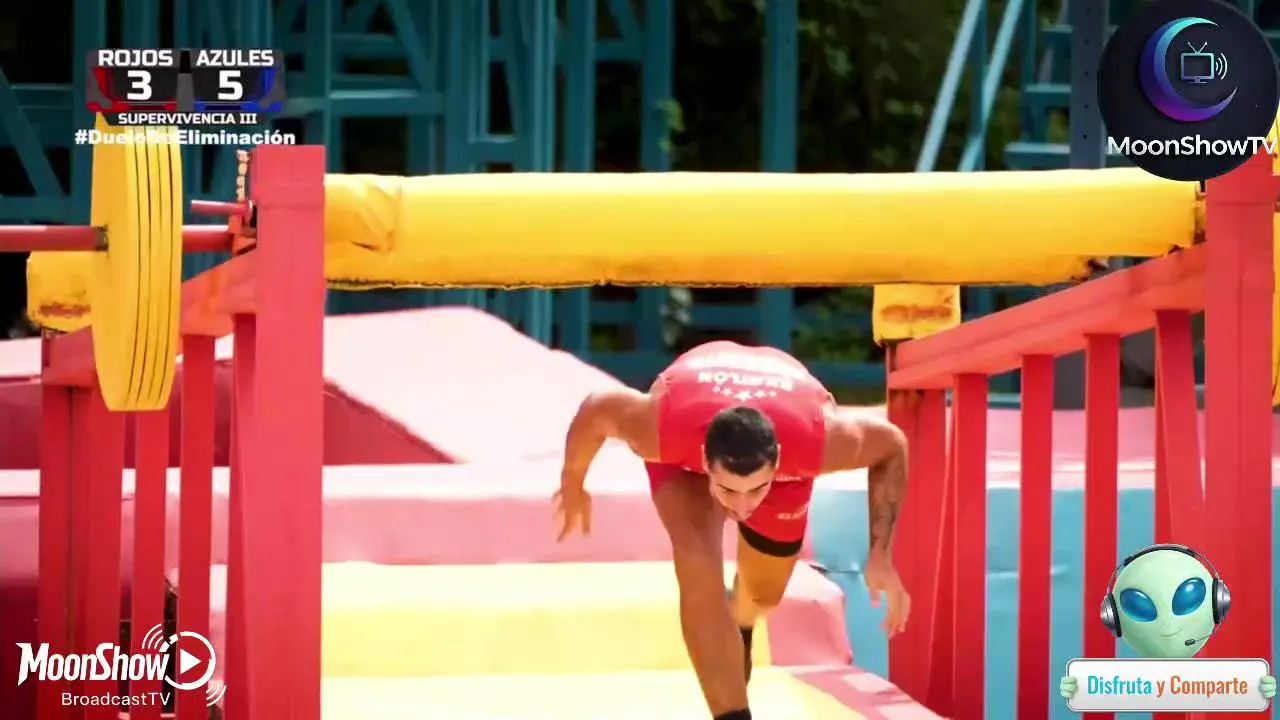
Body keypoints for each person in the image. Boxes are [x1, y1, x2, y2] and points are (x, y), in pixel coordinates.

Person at [553, 340, 911, 720]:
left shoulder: (817, 443)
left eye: (755, 490)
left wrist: (881, 553)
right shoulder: (661, 431)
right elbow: (597, 408)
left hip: (787, 426)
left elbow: (891, 445)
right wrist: (572, 480)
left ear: (777, 464)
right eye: (728, 490)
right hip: (687, 436)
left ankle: (740, 615)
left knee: (763, 597)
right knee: (695, 565)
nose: (741, 509)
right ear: (704, 462)